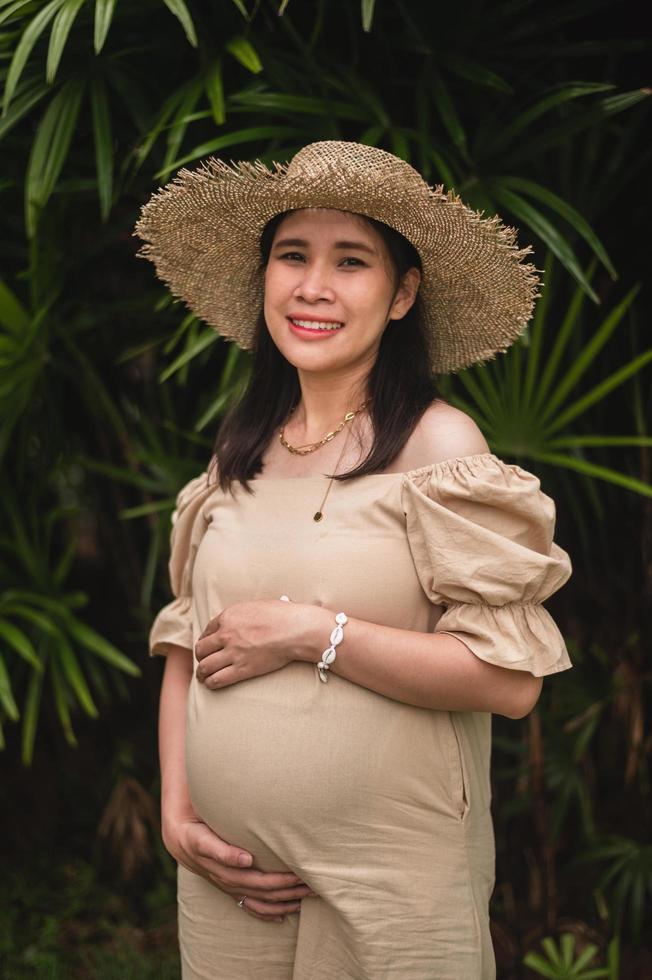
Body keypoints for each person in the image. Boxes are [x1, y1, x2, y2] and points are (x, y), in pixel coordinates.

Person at [134, 141, 573, 980]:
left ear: (403, 292)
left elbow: (506, 680)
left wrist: (312, 633)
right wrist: (177, 810)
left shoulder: (439, 447)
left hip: (391, 885)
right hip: (229, 883)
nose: (313, 287)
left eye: (352, 261)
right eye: (292, 255)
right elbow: (188, 644)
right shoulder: (239, 449)